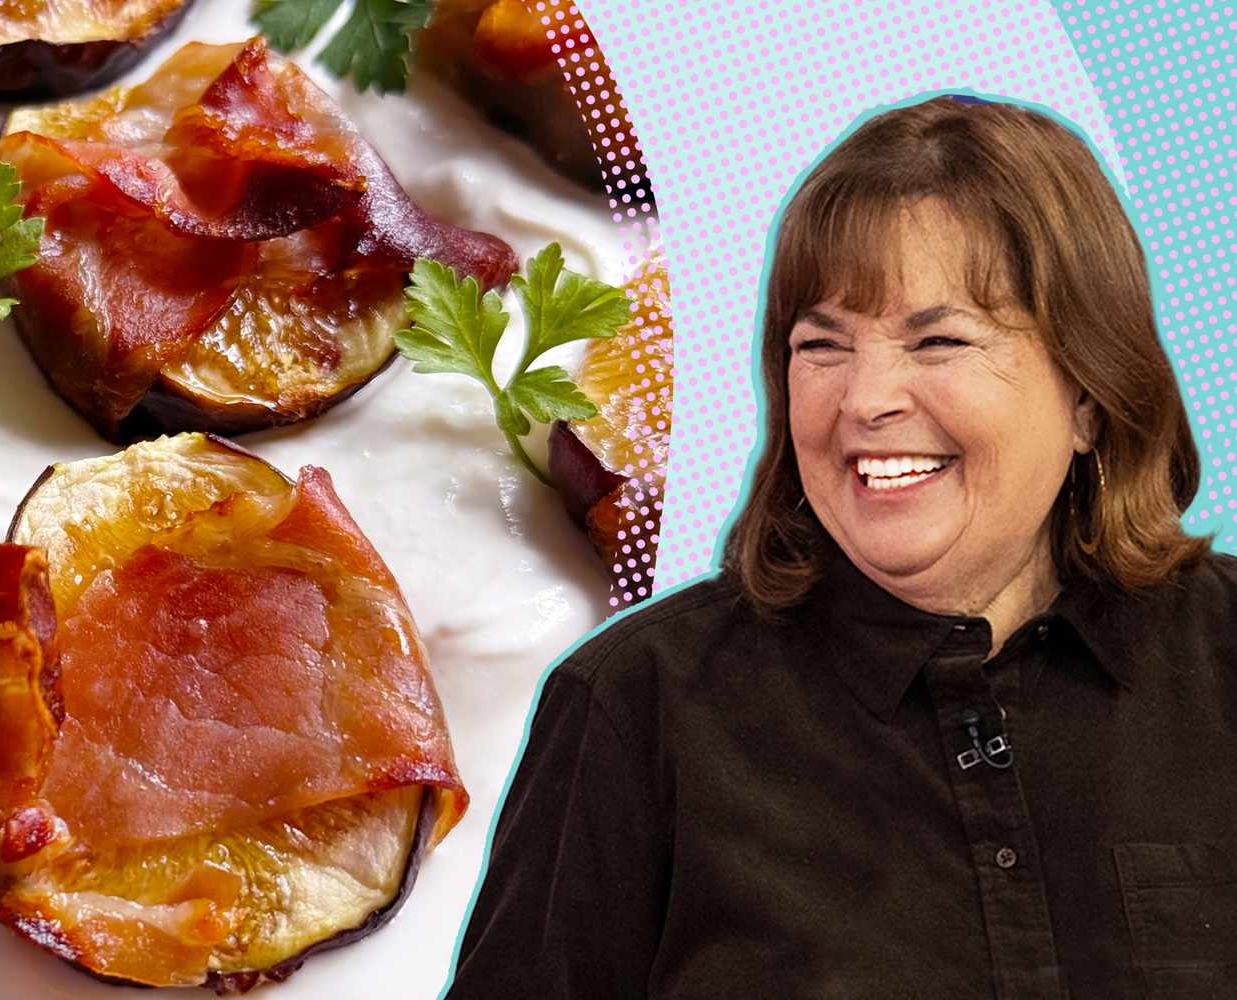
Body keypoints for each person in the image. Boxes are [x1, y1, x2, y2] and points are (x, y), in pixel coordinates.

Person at [443, 95, 1237, 999]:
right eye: (822, 344)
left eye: (938, 340)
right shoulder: (634, 706)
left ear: (1090, 394)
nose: (865, 400)